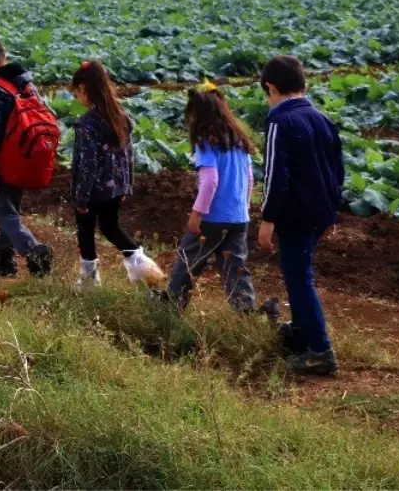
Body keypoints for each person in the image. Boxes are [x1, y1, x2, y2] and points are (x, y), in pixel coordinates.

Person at [258, 55, 345, 375]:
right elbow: (338, 170)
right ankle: (302, 331)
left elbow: (275, 176)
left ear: (271, 87)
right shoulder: (321, 117)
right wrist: (331, 212)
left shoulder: (280, 121)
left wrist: (267, 218)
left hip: (295, 214)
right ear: (303, 84)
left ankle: (320, 350)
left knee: (299, 279)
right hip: (320, 211)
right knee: (301, 272)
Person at [156, 82, 257, 311]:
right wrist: (244, 207)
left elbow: (210, 182)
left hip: (212, 217)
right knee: (235, 267)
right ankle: (247, 312)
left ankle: (172, 305)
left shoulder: (206, 143)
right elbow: (249, 179)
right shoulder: (239, 142)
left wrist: (197, 214)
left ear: (198, 116)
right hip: (239, 217)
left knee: (189, 259)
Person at [69, 60, 165, 289]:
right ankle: (141, 263)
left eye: (76, 92)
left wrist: (81, 197)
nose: (77, 98)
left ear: (83, 89)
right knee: (110, 227)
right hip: (114, 188)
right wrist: (126, 185)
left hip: (92, 190)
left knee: (85, 229)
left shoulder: (87, 124)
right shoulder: (121, 116)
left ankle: (89, 280)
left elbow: (88, 164)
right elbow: (128, 155)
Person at [0, 36, 54, 277]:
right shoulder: (27, 84)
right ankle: (3, 259)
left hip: (5, 158)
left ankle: (34, 251)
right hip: (27, 155)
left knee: (1, 211)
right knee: (11, 208)